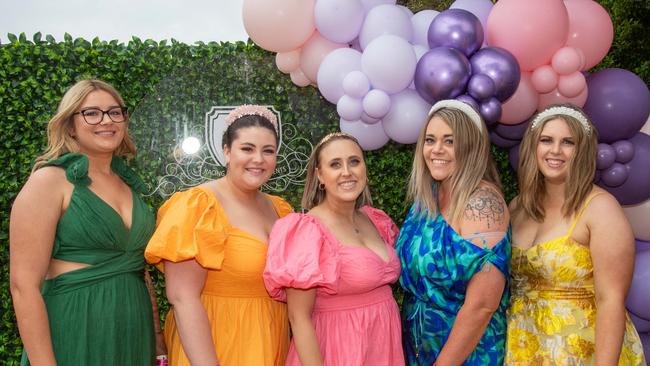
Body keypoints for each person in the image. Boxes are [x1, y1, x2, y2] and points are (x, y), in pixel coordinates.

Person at [9, 79, 163, 365]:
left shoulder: (131, 186)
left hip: (133, 334)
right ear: (70, 124)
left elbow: (140, 272)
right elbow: (23, 286)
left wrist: (157, 343)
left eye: (115, 112)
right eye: (91, 113)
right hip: (74, 326)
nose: (106, 120)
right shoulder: (49, 181)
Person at [145, 104, 292, 366]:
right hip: (217, 345)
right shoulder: (199, 206)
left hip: (270, 339)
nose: (258, 159)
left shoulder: (280, 209)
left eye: (268, 151)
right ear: (226, 151)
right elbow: (182, 298)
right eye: (247, 148)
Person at [505, 105, 646, 365]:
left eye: (567, 142)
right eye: (546, 140)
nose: (555, 151)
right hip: (523, 346)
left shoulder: (601, 209)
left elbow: (611, 301)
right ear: (533, 147)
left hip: (583, 351)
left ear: (582, 150)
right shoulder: (518, 206)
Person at [264, 132, 405, 366]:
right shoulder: (306, 231)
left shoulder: (376, 220)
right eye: (335, 164)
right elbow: (299, 318)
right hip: (336, 351)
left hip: (382, 348)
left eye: (354, 161)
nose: (347, 172)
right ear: (320, 175)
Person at [397, 100, 511, 365]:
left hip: (465, 354)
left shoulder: (483, 204)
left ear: (471, 147)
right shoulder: (426, 199)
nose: (437, 150)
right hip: (417, 349)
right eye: (430, 140)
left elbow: (482, 306)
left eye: (450, 141)